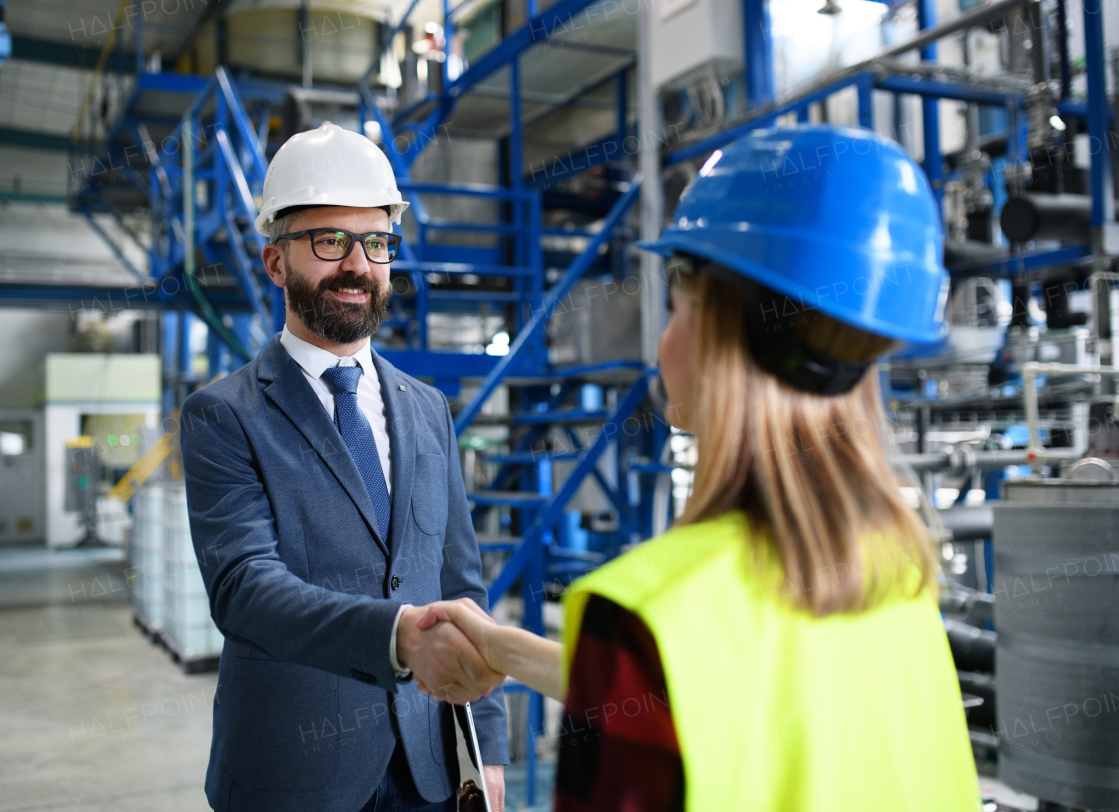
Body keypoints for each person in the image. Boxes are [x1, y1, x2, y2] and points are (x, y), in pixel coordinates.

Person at [418, 125, 980, 810]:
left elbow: (678, 682)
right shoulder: (896, 574)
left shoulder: (642, 615)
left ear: (719, 330)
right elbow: (719, 698)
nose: (666, 334)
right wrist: (507, 650)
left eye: (679, 302)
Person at [179, 122, 507, 812]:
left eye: (377, 242)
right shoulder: (223, 414)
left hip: (427, 772)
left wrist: (488, 746)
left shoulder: (428, 410)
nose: (358, 264)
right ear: (275, 262)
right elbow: (244, 588)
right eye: (330, 240)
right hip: (292, 776)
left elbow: (460, 583)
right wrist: (394, 638)